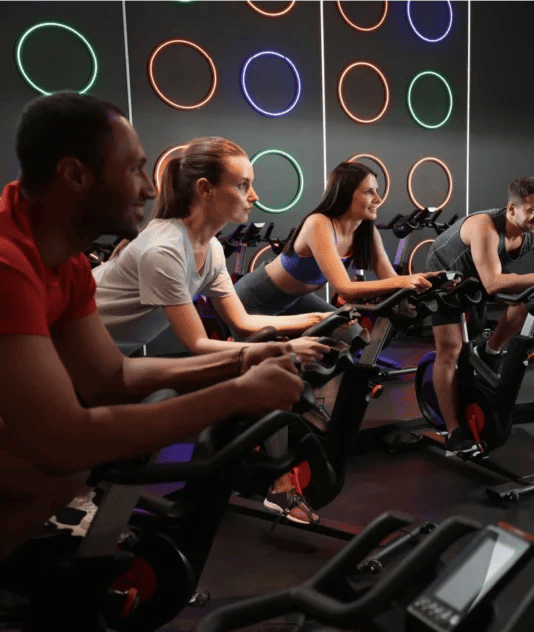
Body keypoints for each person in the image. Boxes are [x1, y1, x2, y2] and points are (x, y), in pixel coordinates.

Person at [0, 92, 305, 564]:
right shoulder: (9, 263)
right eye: (133, 170)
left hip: (57, 386)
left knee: (65, 474)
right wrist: (238, 391)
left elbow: (113, 377)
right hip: (42, 406)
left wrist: (245, 359)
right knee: (60, 468)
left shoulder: (72, 264)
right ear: (75, 175)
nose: (149, 188)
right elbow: (63, 437)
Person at [92, 136, 332, 524]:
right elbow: (198, 344)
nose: (253, 196)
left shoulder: (213, 248)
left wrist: (315, 321)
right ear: (205, 189)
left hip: (109, 353)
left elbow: (242, 322)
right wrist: (269, 352)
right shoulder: (165, 249)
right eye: (242, 185)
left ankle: (272, 483)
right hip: (66, 350)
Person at [425, 175, 534, 453]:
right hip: (446, 275)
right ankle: (453, 431)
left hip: (483, 272)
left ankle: (490, 351)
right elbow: (492, 282)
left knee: (524, 302)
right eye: (532, 210)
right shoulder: (485, 227)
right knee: (450, 350)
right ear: (512, 209)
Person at [233, 161, 438, 319]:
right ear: (345, 195)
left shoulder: (367, 232)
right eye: (369, 192)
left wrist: (430, 280)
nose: (378, 199)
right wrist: (405, 281)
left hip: (296, 300)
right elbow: (345, 289)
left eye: (376, 190)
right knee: (271, 364)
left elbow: (389, 279)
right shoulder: (319, 224)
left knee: (352, 337)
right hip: (255, 299)